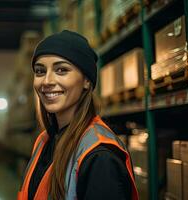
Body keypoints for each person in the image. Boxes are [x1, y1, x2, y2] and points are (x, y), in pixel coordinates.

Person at [17, 30, 139, 200]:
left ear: (86, 81)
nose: (47, 81)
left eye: (61, 70)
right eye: (40, 71)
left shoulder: (99, 156)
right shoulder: (44, 141)